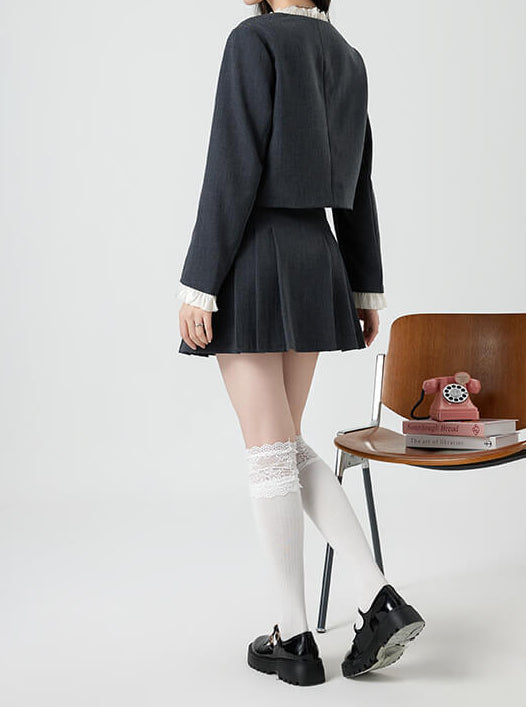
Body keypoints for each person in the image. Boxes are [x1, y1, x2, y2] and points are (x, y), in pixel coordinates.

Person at [176, 0, 425, 686]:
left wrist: (199, 282)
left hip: (256, 256)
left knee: (268, 452)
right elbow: (360, 184)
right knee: (283, 444)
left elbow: (232, 164)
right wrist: (364, 288)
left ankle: (293, 634)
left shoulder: (253, 39)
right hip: (319, 260)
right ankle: (376, 598)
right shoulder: (348, 57)